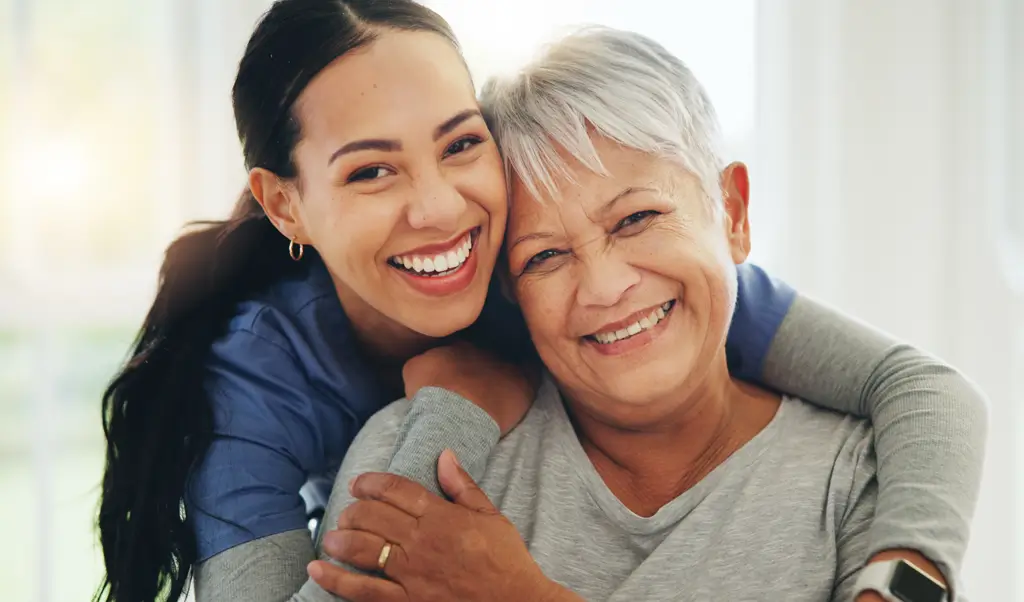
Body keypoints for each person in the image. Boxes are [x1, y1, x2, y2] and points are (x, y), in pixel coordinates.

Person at [93, 2, 985, 602]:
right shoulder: (255, 385)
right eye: (371, 170)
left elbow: (923, 389)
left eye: (460, 144)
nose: (441, 207)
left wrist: (902, 575)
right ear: (286, 202)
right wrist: (454, 410)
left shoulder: (590, 287)